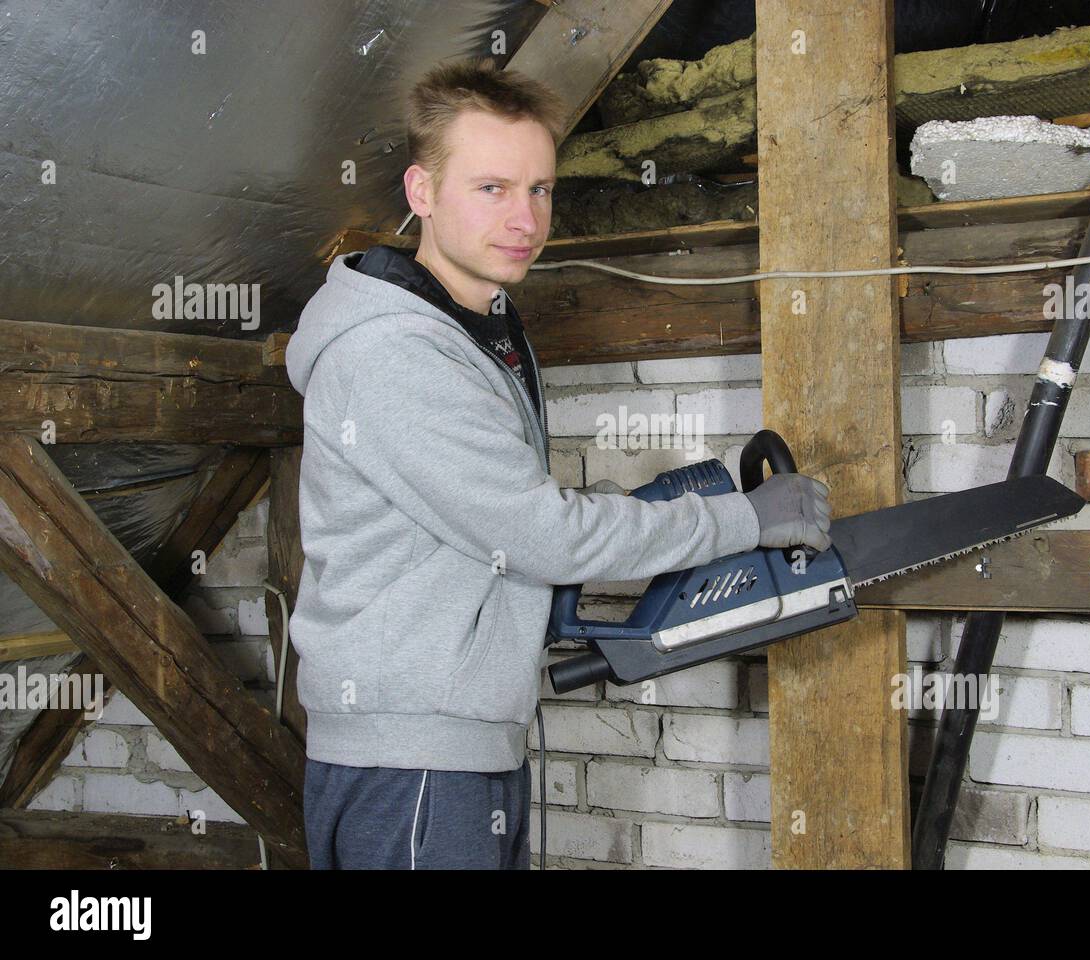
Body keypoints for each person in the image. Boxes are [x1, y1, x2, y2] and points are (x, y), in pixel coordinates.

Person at [283, 57, 831, 870]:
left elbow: (503, 514)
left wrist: (650, 511)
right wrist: (742, 520)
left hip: (449, 747)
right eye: (492, 188)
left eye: (540, 189)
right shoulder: (395, 354)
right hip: (416, 763)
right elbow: (539, 534)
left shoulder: (476, 328)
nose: (526, 218)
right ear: (421, 193)